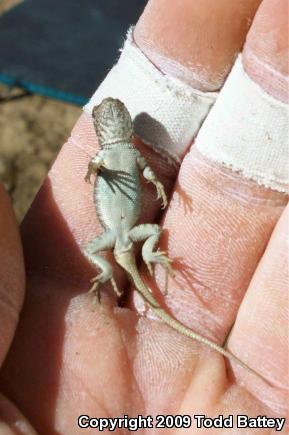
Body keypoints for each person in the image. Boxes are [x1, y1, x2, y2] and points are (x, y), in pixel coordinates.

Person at [0, 0, 288, 433]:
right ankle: (134, 261)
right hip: (129, 231)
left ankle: (114, 268)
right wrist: (145, 188)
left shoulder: (108, 155)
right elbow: (138, 173)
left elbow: (142, 173)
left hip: (116, 234)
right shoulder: (113, 155)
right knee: (145, 238)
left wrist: (148, 184)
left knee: (116, 248)